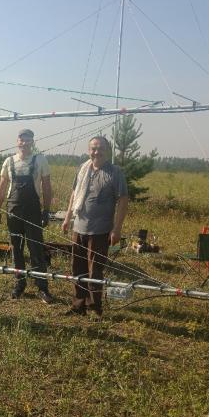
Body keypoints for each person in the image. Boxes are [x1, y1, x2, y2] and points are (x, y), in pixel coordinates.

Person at [62, 135, 129, 317]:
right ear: (88, 150)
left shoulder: (115, 172)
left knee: (95, 270)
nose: (96, 152)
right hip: (79, 228)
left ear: (107, 151)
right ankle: (78, 305)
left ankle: (94, 308)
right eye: (93, 148)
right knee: (77, 268)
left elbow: (123, 200)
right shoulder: (82, 169)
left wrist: (117, 228)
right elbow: (74, 195)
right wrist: (67, 218)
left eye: (100, 148)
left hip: (100, 230)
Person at [0, 128, 54, 303]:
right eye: (22, 139)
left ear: (32, 142)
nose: (24, 143)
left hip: (33, 210)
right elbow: (2, 186)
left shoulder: (40, 160)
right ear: (17, 141)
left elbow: (47, 186)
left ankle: (42, 287)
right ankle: (19, 284)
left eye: (28, 140)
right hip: (13, 210)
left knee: (36, 250)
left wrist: (46, 210)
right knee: (16, 249)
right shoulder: (9, 161)